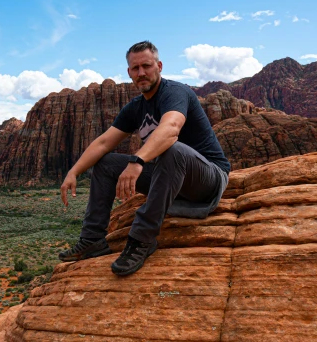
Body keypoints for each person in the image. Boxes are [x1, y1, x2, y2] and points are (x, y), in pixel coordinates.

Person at [59, 40, 230, 276]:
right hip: (169, 179)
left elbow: (171, 128)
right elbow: (103, 142)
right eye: (135, 68)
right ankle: (92, 240)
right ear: (129, 72)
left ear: (159, 66)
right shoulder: (136, 107)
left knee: (173, 148)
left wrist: (137, 161)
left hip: (206, 180)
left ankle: (142, 240)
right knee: (106, 163)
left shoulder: (175, 92)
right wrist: (73, 172)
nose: (141, 73)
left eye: (146, 66)